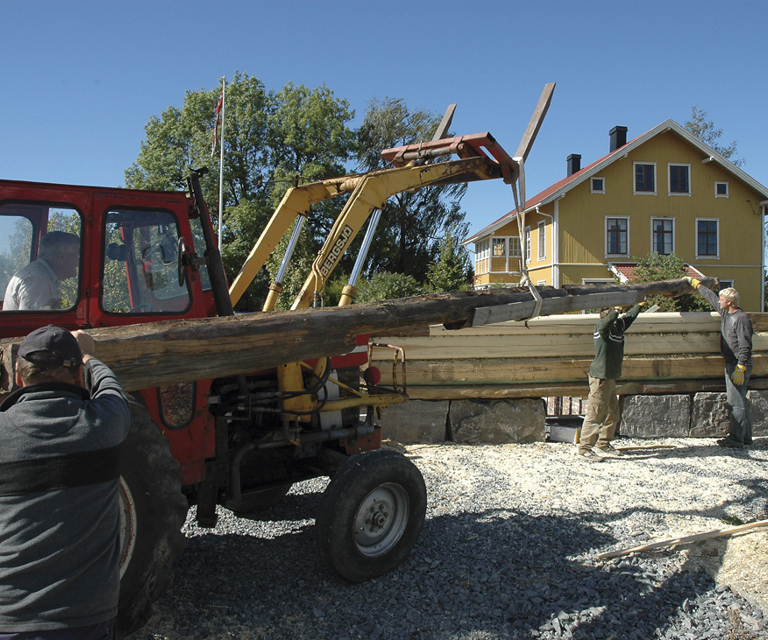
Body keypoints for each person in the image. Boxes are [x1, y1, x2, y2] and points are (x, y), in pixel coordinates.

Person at [0, 325, 130, 639]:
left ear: (18, 376)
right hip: (84, 620)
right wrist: (89, 356)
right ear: (78, 375)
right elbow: (111, 388)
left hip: (10, 617)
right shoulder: (104, 424)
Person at [687, 278, 753, 448]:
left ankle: (735, 439)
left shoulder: (741, 319)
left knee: (736, 402)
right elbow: (711, 297)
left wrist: (741, 366)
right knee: (740, 401)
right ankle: (745, 438)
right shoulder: (726, 313)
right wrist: (698, 285)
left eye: (722, 299)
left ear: (729, 302)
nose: (719, 301)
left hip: (738, 365)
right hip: (733, 363)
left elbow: (745, 345)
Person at [577, 302, 645, 461]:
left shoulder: (617, 327)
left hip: (609, 378)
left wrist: (639, 305)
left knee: (612, 414)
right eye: (611, 312)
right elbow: (605, 322)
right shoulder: (601, 329)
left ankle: (604, 443)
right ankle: (584, 449)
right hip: (600, 379)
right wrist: (615, 311)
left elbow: (629, 317)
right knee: (595, 414)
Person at [3, 232, 80, 311]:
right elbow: (35, 321)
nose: (78, 262)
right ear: (61, 257)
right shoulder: (38, 280)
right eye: (76, 256)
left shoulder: (39, 275)